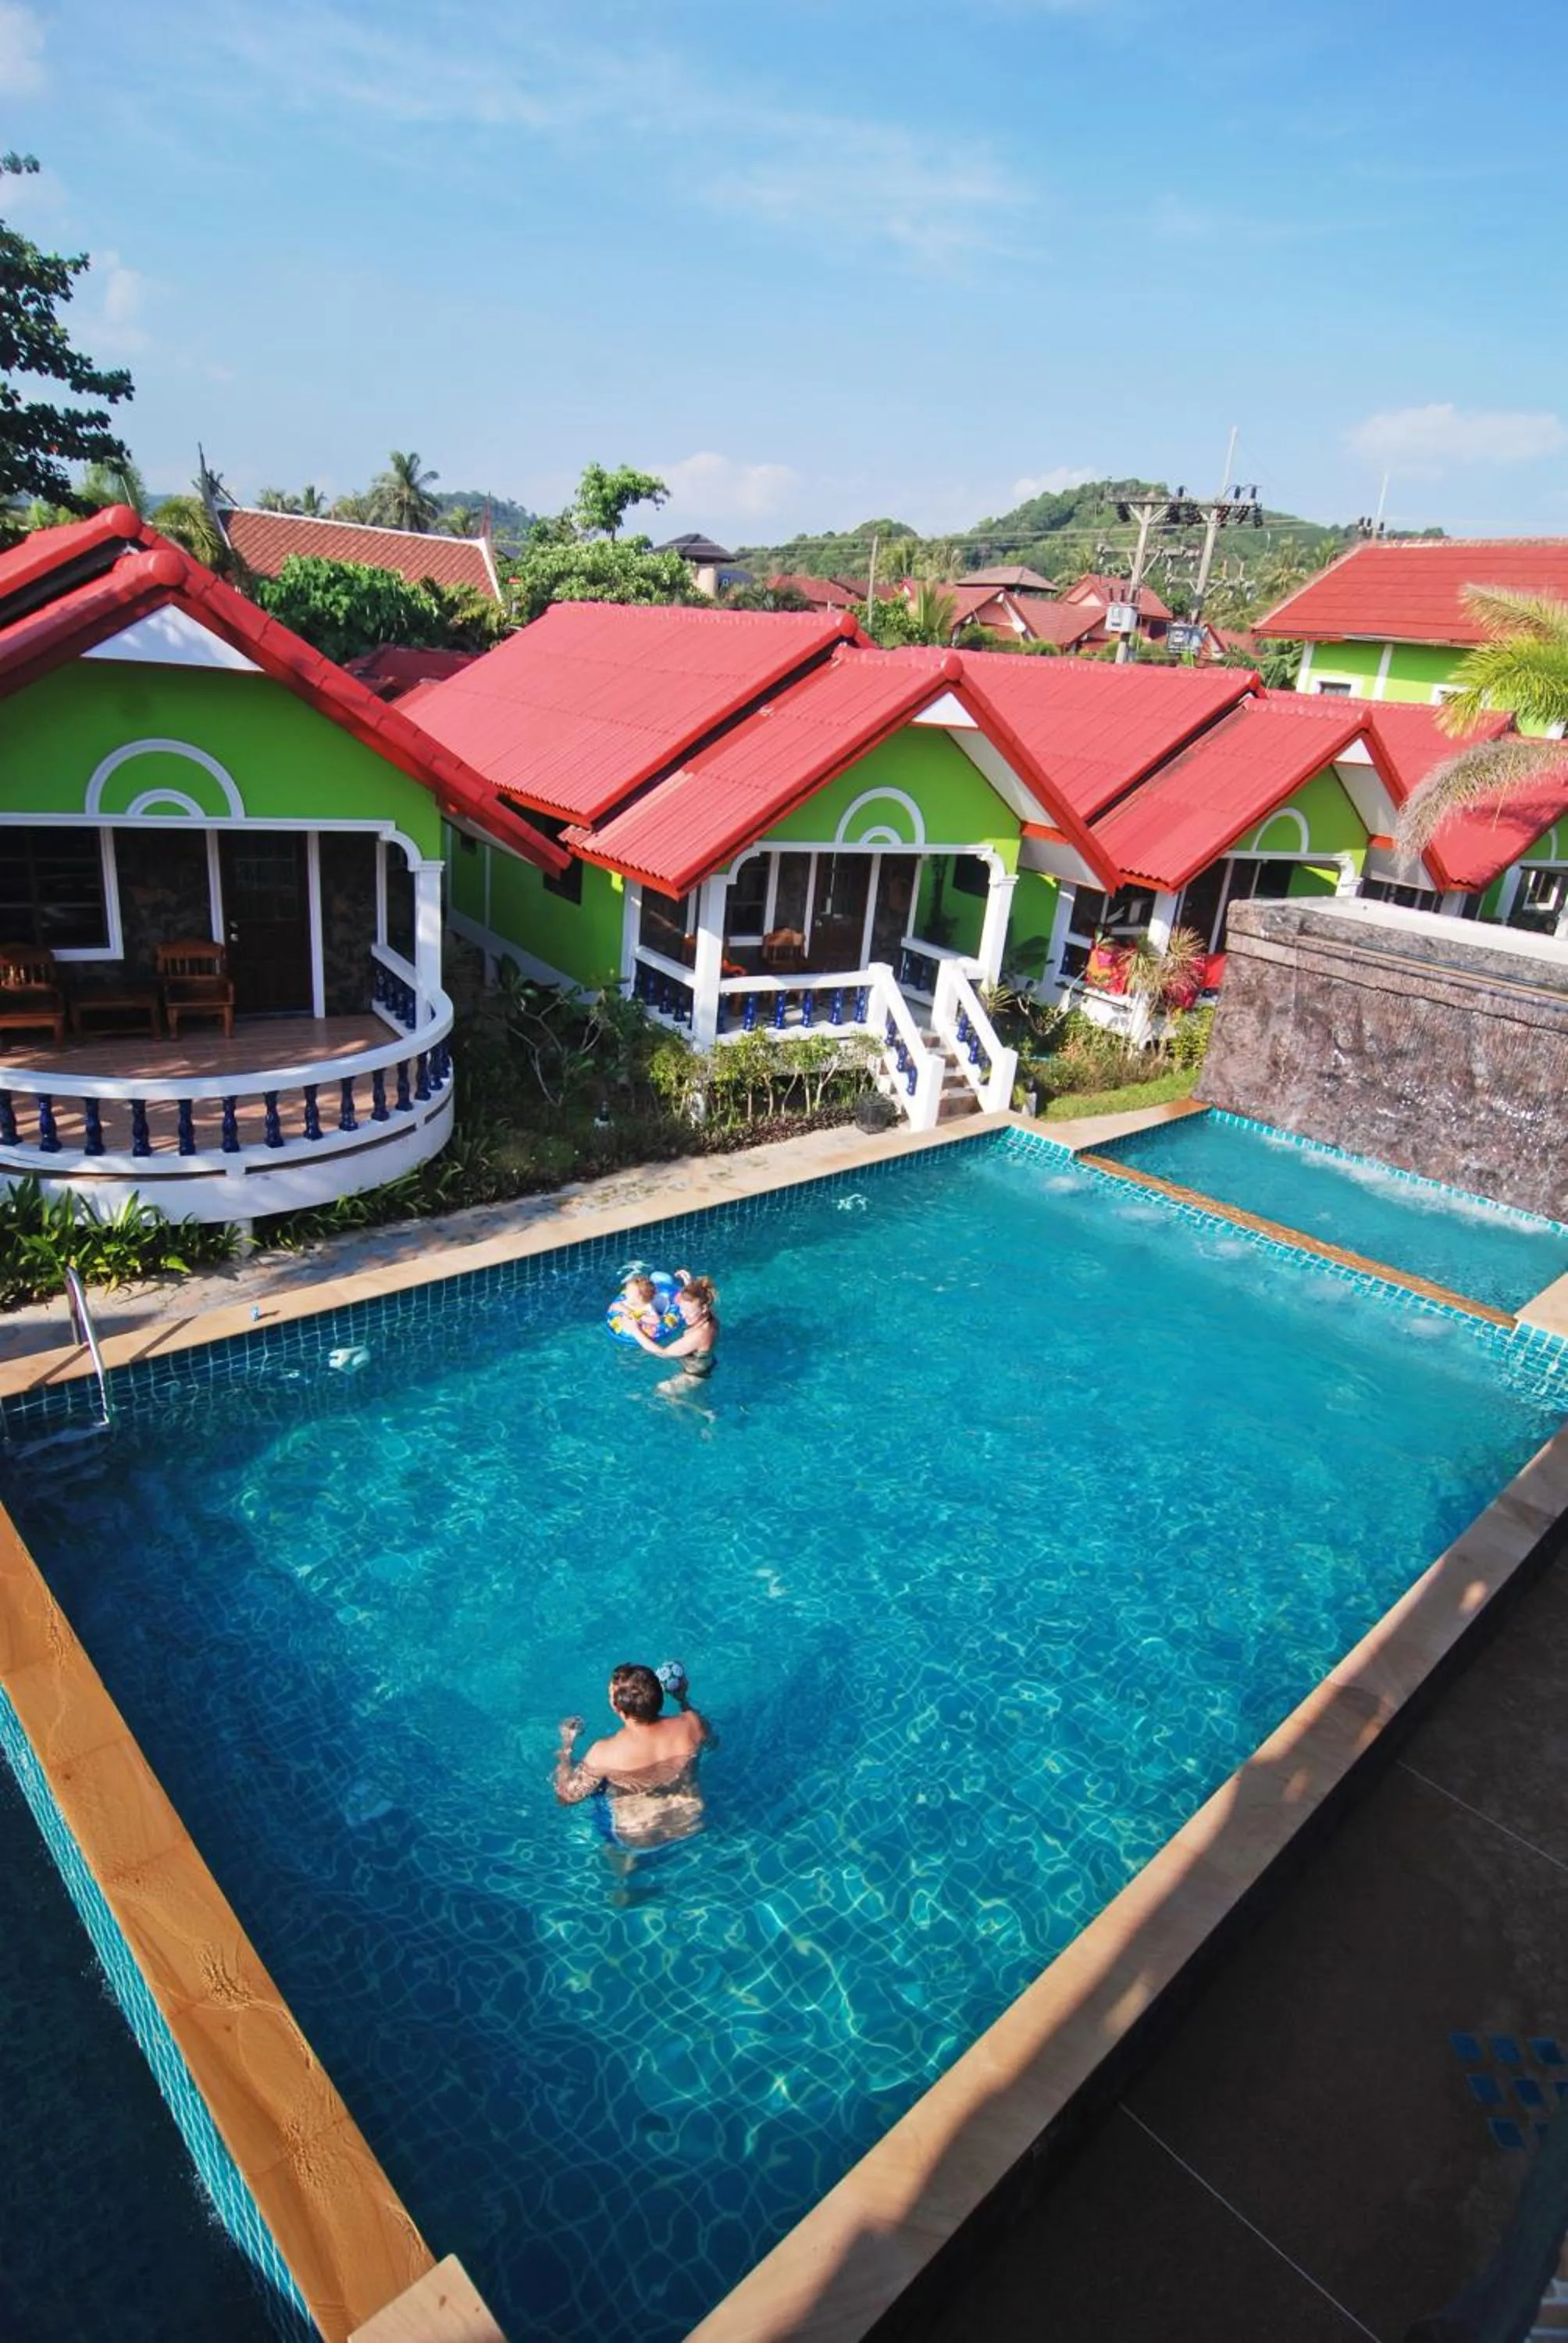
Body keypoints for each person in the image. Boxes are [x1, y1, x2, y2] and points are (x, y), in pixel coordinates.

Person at [554, 1662, 715, 1848]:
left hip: (638, 1837)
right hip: (690, 1822)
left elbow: (566, 1798)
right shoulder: (692, 1723)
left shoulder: (604, 1753)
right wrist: (682, 1699)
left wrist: (566, 1745)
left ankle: (619, 1858)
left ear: (619, 1709)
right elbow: (712, 1743)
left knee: (599, 1791)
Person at [629, 1270, 719, 1401]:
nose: (684, 1315)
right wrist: (689, 1285)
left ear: (704, 1308)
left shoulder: (700, 1335)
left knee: (662, 1390)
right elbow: (697, 1300)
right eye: (682, 1309)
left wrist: (635, 1330)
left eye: (689, 1312)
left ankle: (699, 1411)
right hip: (704, 1362)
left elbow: (663, 1353)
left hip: (696, 1374)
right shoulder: (709, 1315)